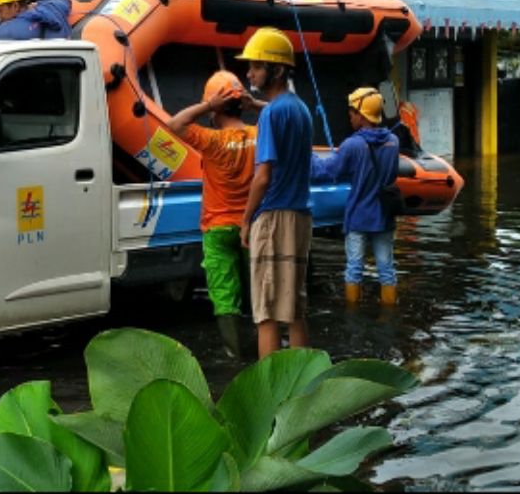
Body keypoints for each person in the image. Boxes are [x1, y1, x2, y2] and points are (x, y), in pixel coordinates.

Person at [166, 70, 262, 359]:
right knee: (258, 293)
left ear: (216, 108)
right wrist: (256, 104)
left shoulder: (210, 140)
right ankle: (264, 351)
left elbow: (174, 123)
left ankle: (233, 360)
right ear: (240, 103)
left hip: (218, 228)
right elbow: (289, 117)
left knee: (224, 296)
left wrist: (208, 105)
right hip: (253, 226)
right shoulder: (259, 135)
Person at [236, 27, 314, 359]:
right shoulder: (300, 110)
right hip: (300, 217)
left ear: (277, 70)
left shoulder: (271, 114)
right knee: (294, 306)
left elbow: (263, 176)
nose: (249, 72)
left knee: (266, 312)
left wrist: (245, 219)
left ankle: (267, 391)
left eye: (256, 65)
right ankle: (303, 381)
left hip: (273, 218)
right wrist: (257, 105)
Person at [310, 86, 401, 306]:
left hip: (359, 216)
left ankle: (352, 315)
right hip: (384, 217)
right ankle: (389, 313)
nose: (349, 118)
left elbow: (325, 171)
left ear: (362, 115)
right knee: (386, 270)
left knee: (354, 270)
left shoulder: (352, 145)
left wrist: (305, 152)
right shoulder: (394, 142)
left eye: (352, 113)